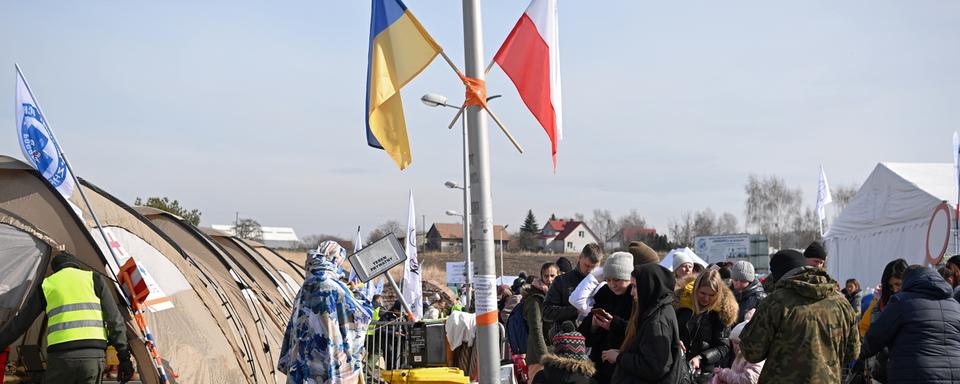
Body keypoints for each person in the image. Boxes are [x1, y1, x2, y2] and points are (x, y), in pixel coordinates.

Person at [0, 251, 133, 384]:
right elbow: (115, 320)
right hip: (92, 357)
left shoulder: (47, 284)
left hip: (60, 358)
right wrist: (124, 358)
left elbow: (21, 322)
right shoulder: (94, 278)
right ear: (76, 265)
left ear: (55, 270)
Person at [740, 249, 859, 384]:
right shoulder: (842, 303)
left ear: (778, 275)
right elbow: (852, 352)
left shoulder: (775, 302)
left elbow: (752, 352)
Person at [278, 241, 373, 384]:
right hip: (327, 362)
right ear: (336, 259)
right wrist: (357, 293)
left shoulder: (305, 286)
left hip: (303, 360)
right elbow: (361, 316)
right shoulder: (333, 286)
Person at [858, 265, 960, 383]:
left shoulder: (901, 301)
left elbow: (876, 337)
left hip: (916, 374)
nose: (895, 289)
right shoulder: (955, 306)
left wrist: (854, 354)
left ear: (908, 280)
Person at [604, 264, 682, 384]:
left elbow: (655, 367)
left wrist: (619, 357)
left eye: (635, 287)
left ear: (648, 287)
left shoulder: (657, 321)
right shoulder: (656, 309)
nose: (631, 292)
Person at [577, 252, 635, 384]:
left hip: (624, 368)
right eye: (608, 280)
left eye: (617, 280)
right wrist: (593, 325)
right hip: (599, 366)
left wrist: (614, 324)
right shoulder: (604, 294)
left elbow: (641, 331)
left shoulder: (636, 298)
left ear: (628, 278)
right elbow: (583, 336)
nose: (612, 284)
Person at [683, 269, 738, 383]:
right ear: (695, 289)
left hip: (703, 374)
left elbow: (723, 346)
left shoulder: (721, 312)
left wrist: (701, 358)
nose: (706, 298)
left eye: (712, 295)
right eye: (702, 293)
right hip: (678, 369)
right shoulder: (682, 305)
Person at [543, 244, 604, 333]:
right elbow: (547, 312)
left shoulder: (604, 282)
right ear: (580, 257)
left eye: (594, 267)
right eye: (587, 265)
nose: (590, 270)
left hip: (595, 338)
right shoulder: (562, 281)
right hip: (567, 338)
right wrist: (576, 311)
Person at [523, 262, 560, 383]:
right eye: (546, 276)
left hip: (552, 354)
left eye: (552, 276)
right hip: (538, 357)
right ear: (541, 277)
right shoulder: (536, 298)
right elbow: (536, 330)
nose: (549, 279)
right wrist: (545, 358)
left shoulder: (554, 296)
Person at [713, 313, 763, 384]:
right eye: (734, 343)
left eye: (739, 343)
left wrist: (724, 374)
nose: (736, 346)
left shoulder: (755, 358)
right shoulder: (740, 356)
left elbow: (748, 381)